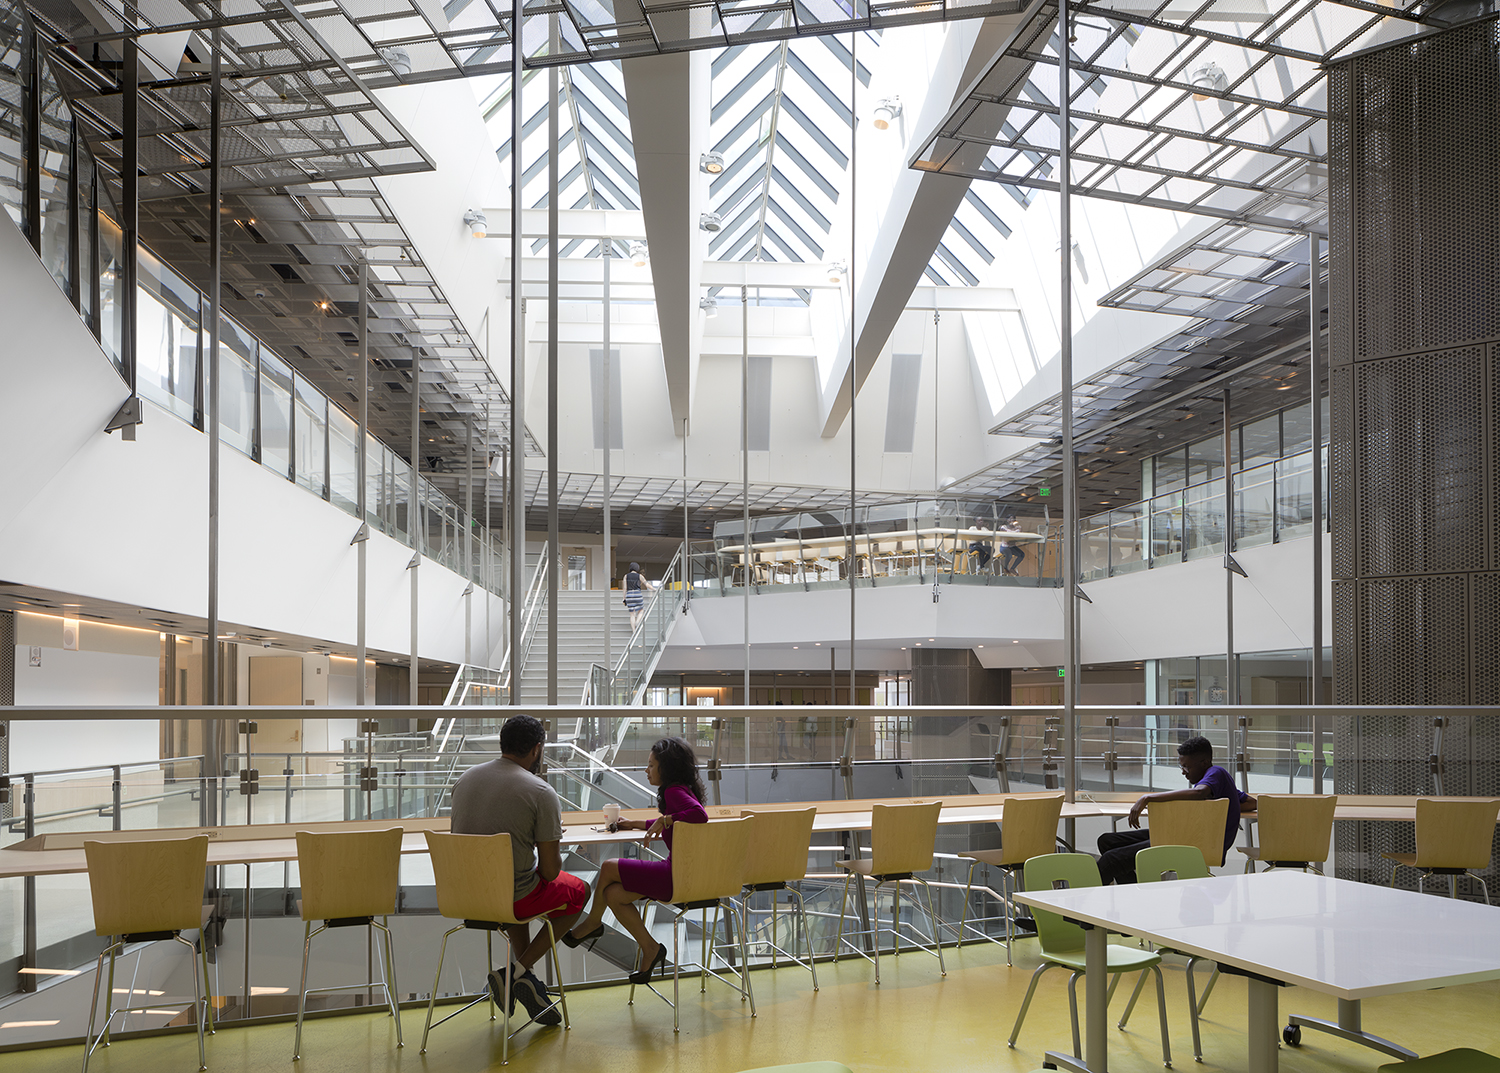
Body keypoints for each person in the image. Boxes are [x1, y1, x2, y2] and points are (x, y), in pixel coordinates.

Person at [450, 714, 587, 1026]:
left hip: (462, 896)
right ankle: (516, 972)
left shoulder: (464, 780)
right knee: (579, 891)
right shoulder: (540, 792)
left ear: (503, 744)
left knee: (520, 880)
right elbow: (551, 872)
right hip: (510, 897)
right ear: (537, 749)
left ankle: (530, 981)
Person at [561, 737, 708, 983]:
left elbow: (699, 815)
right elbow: (677, 818)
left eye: (651, 765)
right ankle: (651, 948)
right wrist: (635, 823)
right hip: (683, 873)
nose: (646, 770)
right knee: (613, 895)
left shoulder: (673, 791)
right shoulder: (681, 789)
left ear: (666, 768)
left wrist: (666, 820)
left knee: (608, 867)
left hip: (675, 876)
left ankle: (592, 923)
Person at [1096, 735, 1256, 885]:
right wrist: (1224, 807)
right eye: (1181, 766)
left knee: (1111, 860)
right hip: (1186, 835)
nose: (1183, 772)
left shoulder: (1216, 773)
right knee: (1106, 841)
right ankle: (1133, 889)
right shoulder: (1217, 783)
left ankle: (1080, 905)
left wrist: (1147, 798)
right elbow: (1250, 802)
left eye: (1187, 767)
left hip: (1199, 843)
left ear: (1204, 762)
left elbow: (1199, 792)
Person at [623, 561, 654, 631]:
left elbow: (625, 588)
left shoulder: (626, 576)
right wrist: (655, 589)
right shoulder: (640, 576)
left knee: (632, 614)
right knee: (641, 610)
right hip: (638, 595)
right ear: (637, 568)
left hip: (629, 595)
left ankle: (634, 631)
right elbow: (647, 585)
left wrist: (624, 598)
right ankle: (637, 622)